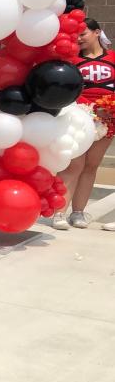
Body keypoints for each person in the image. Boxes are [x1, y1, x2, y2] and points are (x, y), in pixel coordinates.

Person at [54, 18, 115, 230]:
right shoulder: (71, 60)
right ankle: (59, 211)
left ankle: (78, 212)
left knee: (91, 166)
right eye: (77, 35)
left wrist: (109, 109)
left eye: (83, 34)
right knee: (74, 164)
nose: (79, 39)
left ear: (97, 32)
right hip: (79, 116)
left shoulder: (113, 58)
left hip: (107, 118)